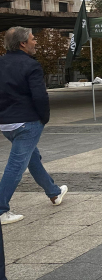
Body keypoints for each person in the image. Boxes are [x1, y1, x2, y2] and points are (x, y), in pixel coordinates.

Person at [0, 27, 68, 225]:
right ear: (23, 43)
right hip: (27, 122)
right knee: (16, 166)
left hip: (6, 123)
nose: (35, 41)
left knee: (32, 158)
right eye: (32, 38)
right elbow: (39, 95)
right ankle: (1, 209)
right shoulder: (32, 66)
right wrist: (44, 118)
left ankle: (54, 193)